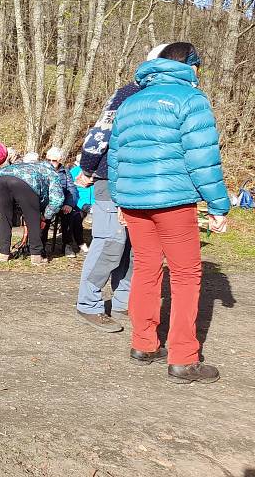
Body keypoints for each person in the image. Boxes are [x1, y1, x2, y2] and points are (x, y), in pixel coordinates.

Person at [109, 42, 230, 384]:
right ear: (191, 66)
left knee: (146, 269)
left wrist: (120, 200)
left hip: (134, 200)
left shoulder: (130, 103)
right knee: (186, 275)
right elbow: (202, 159)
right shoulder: (191, 100)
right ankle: (183, 358)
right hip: (173, 200)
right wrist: (219, 205)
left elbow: (115, 157)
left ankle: (144, 344)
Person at [73, 73, 142, 333]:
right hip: (110, 179)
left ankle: (123, 302)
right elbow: (99, 134)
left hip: (140, 184)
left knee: (133, 247)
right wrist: (88, 168)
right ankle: (88, 303)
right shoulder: (127, 93)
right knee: (111, 242)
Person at [0, 159, 64, 265]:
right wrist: (46, 216)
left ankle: (4, 254)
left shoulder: (28, 165)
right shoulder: (52, 172)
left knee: (5, 217)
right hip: (26, 181)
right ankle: (36, 256)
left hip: (0, 177)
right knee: (33, 219)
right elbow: (57, 199)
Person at [45, 147, 88, 258]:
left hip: (62, 202)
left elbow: (72, 189)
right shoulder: (43, 170)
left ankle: (67, 244)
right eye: (48, 160)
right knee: (44, 215)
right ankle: (41, 244)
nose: (50, 163)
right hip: (47, 203)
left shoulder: (65, 172)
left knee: (72, 214)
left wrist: (69, 204)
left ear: (59, 160)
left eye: (53, 160)